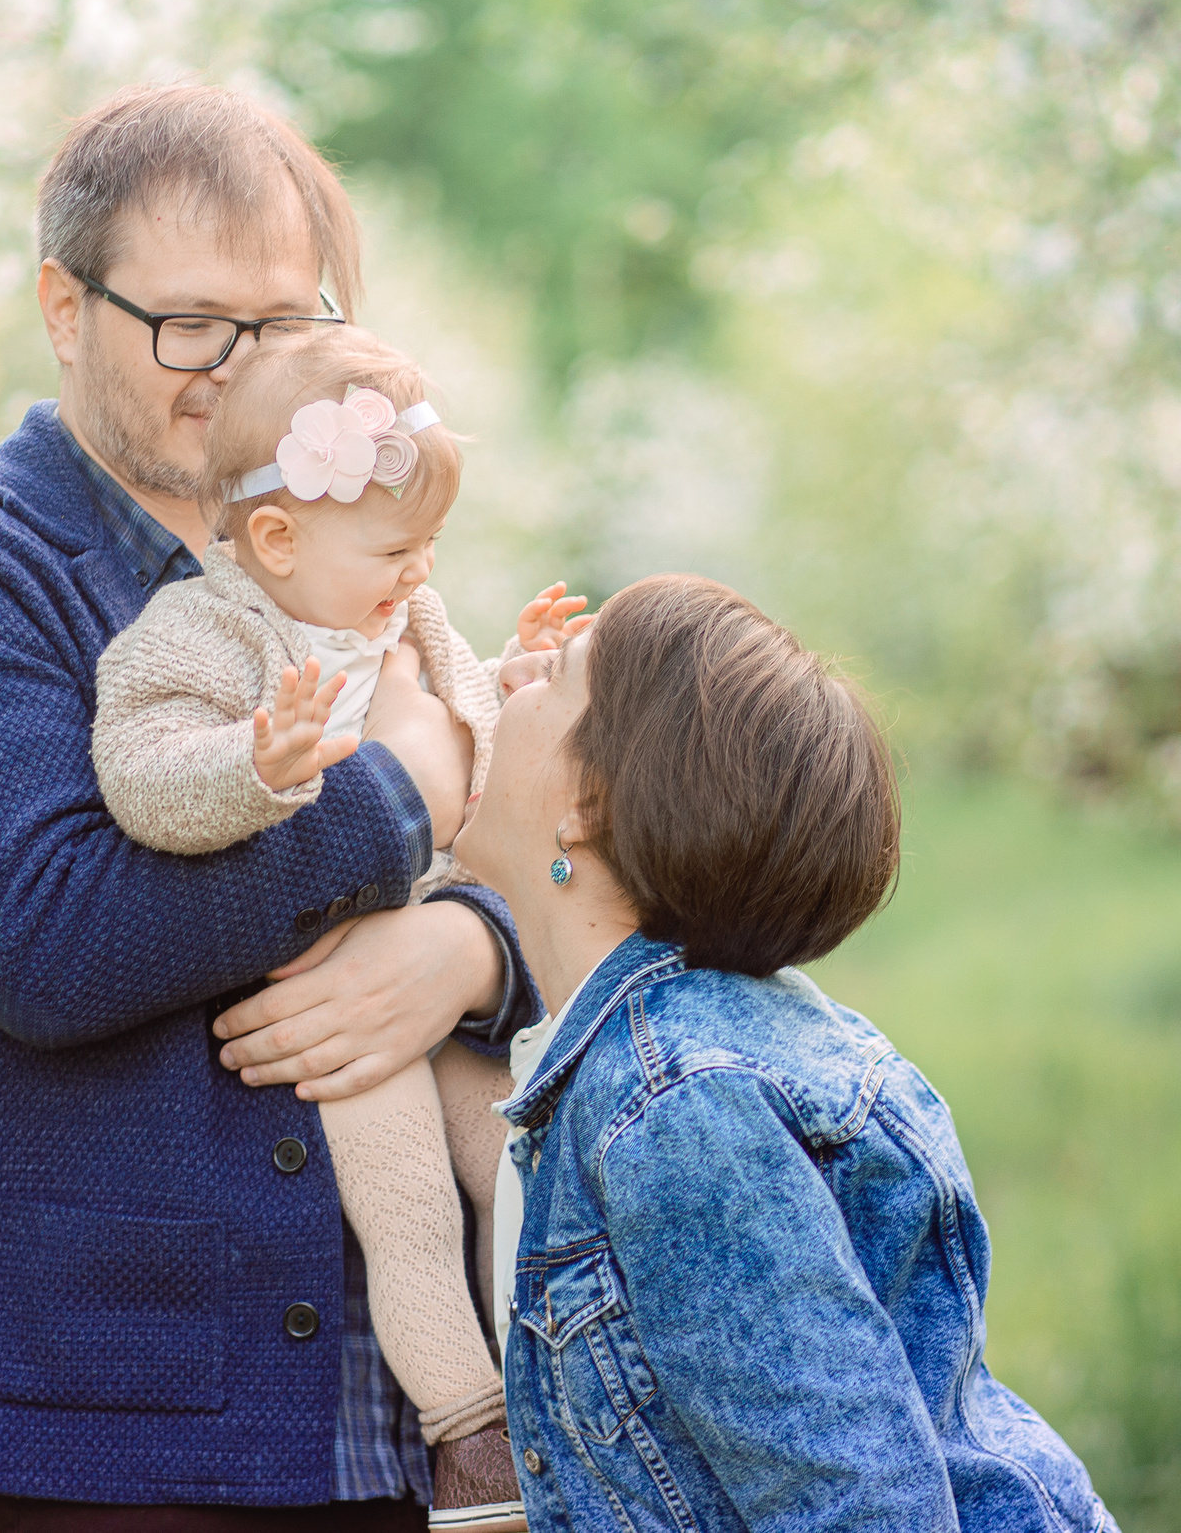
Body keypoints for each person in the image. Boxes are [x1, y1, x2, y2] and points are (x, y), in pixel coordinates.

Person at [0, 82, 542, 1531]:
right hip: (110, 1422)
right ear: (65, 308)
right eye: (195, 322)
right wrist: (393, 795)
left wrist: (464, 952)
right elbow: (43, 939)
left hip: (415, 1422)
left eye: (290, 322)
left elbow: (551, 851)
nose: (248, 368)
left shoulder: (362, 565)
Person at [451, 575, 1122, 1533]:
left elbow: (855, 1509)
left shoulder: (677, 1106)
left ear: (586, 803)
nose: (501, 683)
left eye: (547, 675)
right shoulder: (629, 1057)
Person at [92, 325, 592, 1530]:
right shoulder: (201, 637)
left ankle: (571, 1391)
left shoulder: (398, 617)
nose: (420, 575)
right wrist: (249, 766)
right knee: (408, 1205)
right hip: (325, 997)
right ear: (276, 537)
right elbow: (138, 769)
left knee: (524, 1159)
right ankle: (469, 1434)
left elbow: (458, 720)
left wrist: (516, 677)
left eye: (428, 548)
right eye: (397, 548)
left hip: (439, 980)